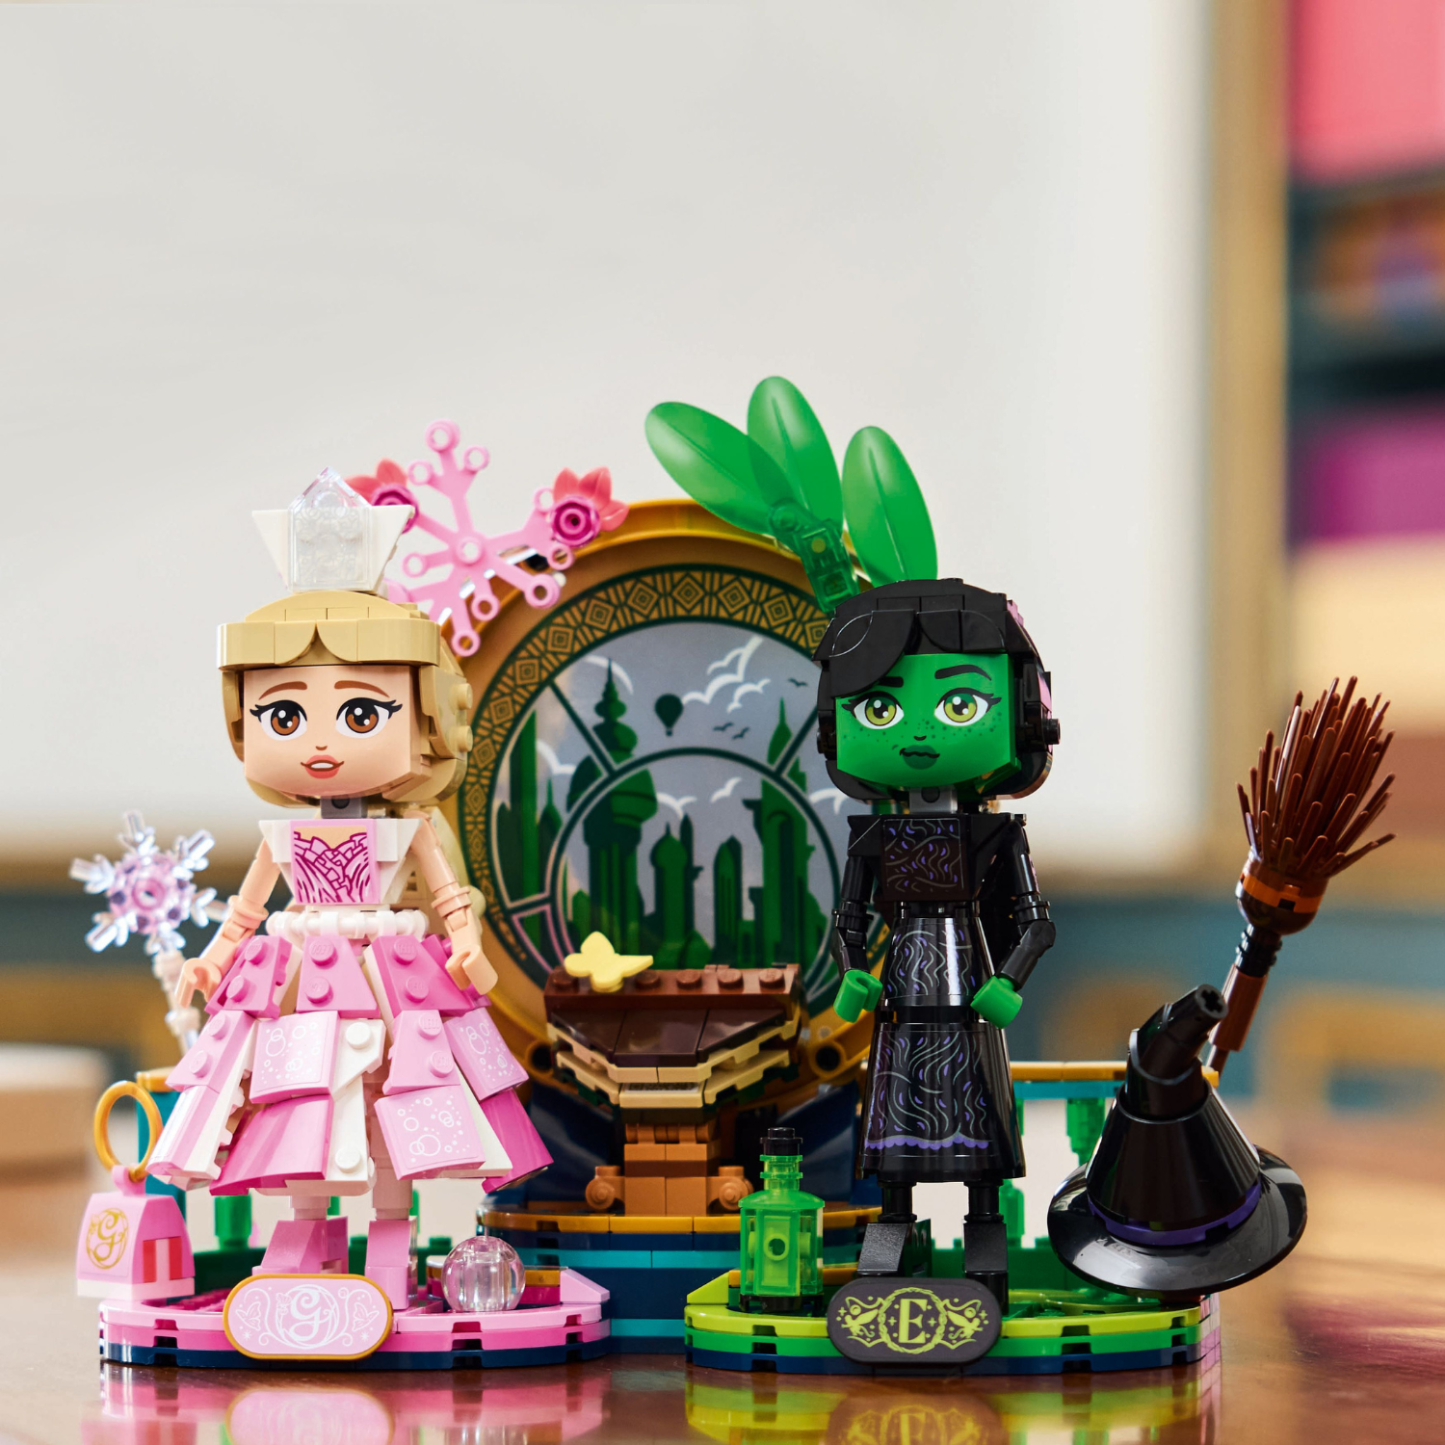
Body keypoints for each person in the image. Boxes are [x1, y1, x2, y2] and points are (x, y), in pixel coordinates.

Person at [148, 471, 549, 1305]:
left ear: (424, 716)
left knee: (397, 1097)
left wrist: (466, 944)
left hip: (393, 970)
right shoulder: (283, 835)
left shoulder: (414, 825)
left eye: (362, 714)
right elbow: (248, 908)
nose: (322, 743)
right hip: (302, 974)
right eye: (284, 716)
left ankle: (390, 1237)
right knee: (299, 1098)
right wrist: (213, 958)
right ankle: (304, 1234)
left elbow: (448, 897)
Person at [817, 578, 1060, 1311]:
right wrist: (852, 970)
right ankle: (893, 1224)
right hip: (900, 1004)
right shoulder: (872, 834)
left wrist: (1009, 978)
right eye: (881, 709)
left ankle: (983, 1230)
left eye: (960, 706)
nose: (919, 733)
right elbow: (846, 918)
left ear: (1022, 714)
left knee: (979, 1124)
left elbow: (1035, 919)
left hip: (969, 992)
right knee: (895, 1132)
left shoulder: (997, 833)